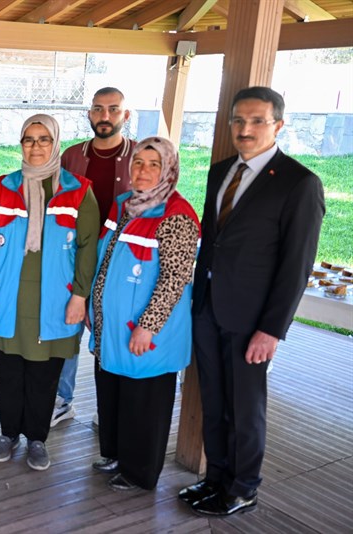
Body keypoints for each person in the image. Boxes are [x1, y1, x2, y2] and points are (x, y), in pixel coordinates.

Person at [180, 87, 325, 516]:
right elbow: (214, 243)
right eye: (238, 121)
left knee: (246, 408)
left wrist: (271, 329)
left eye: (257, 121)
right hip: (208, 307)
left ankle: (243, 488)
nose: (245, 129)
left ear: (278, 125)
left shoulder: (300, 183)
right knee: (213, 400)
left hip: (252, 319)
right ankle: (215, 478)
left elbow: (296, 265)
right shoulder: (220, 171)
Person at [0, 114, 99, 470]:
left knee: (44, 377)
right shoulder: (2, 187)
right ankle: (8, 433)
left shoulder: (79, 190)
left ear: (56, 143)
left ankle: (37, 439)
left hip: (56, 300)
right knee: (8, 373)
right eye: (29, 139)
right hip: (7, 297)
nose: (36, 146)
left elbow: (88, 248)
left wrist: (79, 295)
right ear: (21, 144)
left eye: (44, 139)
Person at [88, 136, 200, 491]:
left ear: (168, 170)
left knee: (144, 402)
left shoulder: (177, 215)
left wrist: (148, 328)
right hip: (111, 324)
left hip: (147, 331)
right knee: (113, 391)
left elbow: (175, 279)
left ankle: (140, 473)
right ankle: (116, 454)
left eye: (154, 164)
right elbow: (104, 258)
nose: (144, 171)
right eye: (138, 162)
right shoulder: (123, 204)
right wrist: (94, 305)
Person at [53, 87, 136, 428]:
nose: (105, 116)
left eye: (113, 109)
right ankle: (62, 399)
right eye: (98, 109)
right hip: (75, 253)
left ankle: (110, 406)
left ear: (125, 115)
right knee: (68, 324)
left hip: (121, 257)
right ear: (89, 113)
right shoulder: (71, 156)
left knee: (113, 328)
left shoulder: (139, 156)